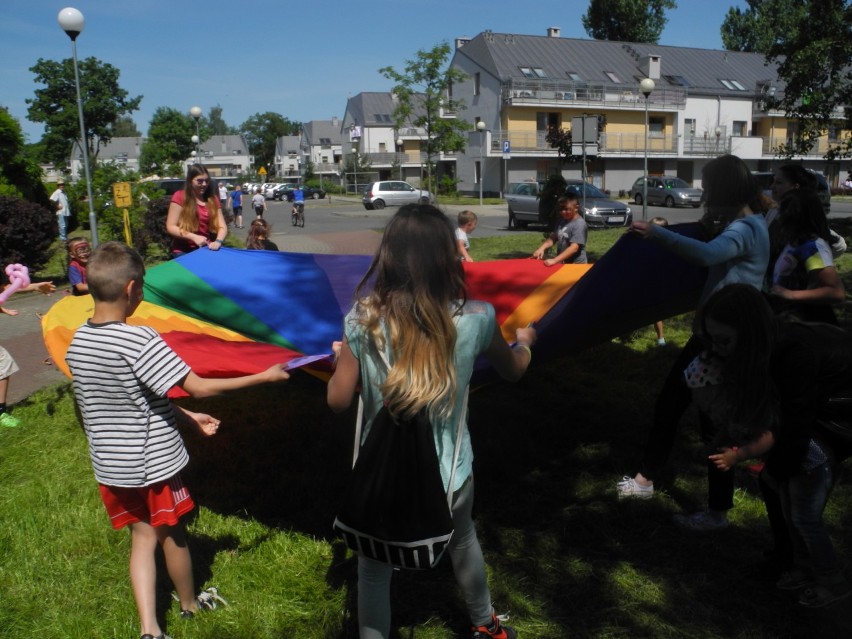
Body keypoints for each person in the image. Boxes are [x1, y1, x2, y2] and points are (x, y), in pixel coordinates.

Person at [327, 203, 537, 639]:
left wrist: (339, 360)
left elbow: (338, 401)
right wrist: (526, 343)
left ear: (388, 256)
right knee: (463, 540)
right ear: (447, 256)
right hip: (451, 472)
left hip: (380, 474)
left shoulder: (361, 320)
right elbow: (513, 370)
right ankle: (486, 625)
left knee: (372, 570)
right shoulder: (476, 318)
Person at [65, 242, 290, 639]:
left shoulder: (79, 342)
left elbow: (135, 397)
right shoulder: (139, 340)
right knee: (172, 535)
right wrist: (264, 377)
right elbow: (199, 386)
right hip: (151, 464)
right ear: (133, 289)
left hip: (111, 465)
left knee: (141, 538)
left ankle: (149, 628)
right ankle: (188, 604)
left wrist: (187, 417)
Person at [616, 154, 769, 532]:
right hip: (716, 338)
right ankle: (651, 481)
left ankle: (707, 507)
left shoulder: (746, 228)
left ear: (724, 189)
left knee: (705, 419)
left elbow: (707, 254)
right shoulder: (749, 224)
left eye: (709, 185)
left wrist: (657, 233)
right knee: (690, 410)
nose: (703, 191)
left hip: (720, 343)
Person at [699, 284, 852, 608]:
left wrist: (774, 469)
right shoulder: (768, 351)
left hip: (835, 422)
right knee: (792, 508)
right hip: (809, 431)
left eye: (724, 341)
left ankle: (829, 578)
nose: (717, 349)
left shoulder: (795, 354)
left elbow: (794, 423)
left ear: (751, 333)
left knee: (804, 516)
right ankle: (800, 565)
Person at [768, 189, 845, 324]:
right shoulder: (792, 241)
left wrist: (791, 294)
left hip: (804, 321)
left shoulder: (812, 247)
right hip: (785, 316)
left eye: (783, 211)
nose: (778, 216)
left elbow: (836, 292)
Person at [767, 164, 846, 258]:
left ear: (795, 187)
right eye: (773, 181)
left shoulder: (802, 217)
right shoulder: (774, 211)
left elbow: (839, 245)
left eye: (778, 182)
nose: (772, 186)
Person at [165, 164, 227, 258]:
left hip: (205, 248)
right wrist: (194, 237)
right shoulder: (179, 196)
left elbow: (222, 226)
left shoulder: (212, 199)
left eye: (206, 181)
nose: (204, 184)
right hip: (183, 251)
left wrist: (218, 241)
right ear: (190, 181)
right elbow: (171, 226)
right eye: (200, 181)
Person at [531, 192, 588, 266]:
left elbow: (574, 248)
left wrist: (554, 260)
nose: (563, 212)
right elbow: (553, 238)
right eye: (561, 209)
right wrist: (541, 248)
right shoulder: (562, 221)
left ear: (576, 208)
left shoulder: (579, 224)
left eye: (567, 209)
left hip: (576, 266)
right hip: (563, 265)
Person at [649, 217, 669, 346]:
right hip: (647, 280)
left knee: (656, 312)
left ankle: (661, 338)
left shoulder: (667, 245)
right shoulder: (647, 242)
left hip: (656, 282)